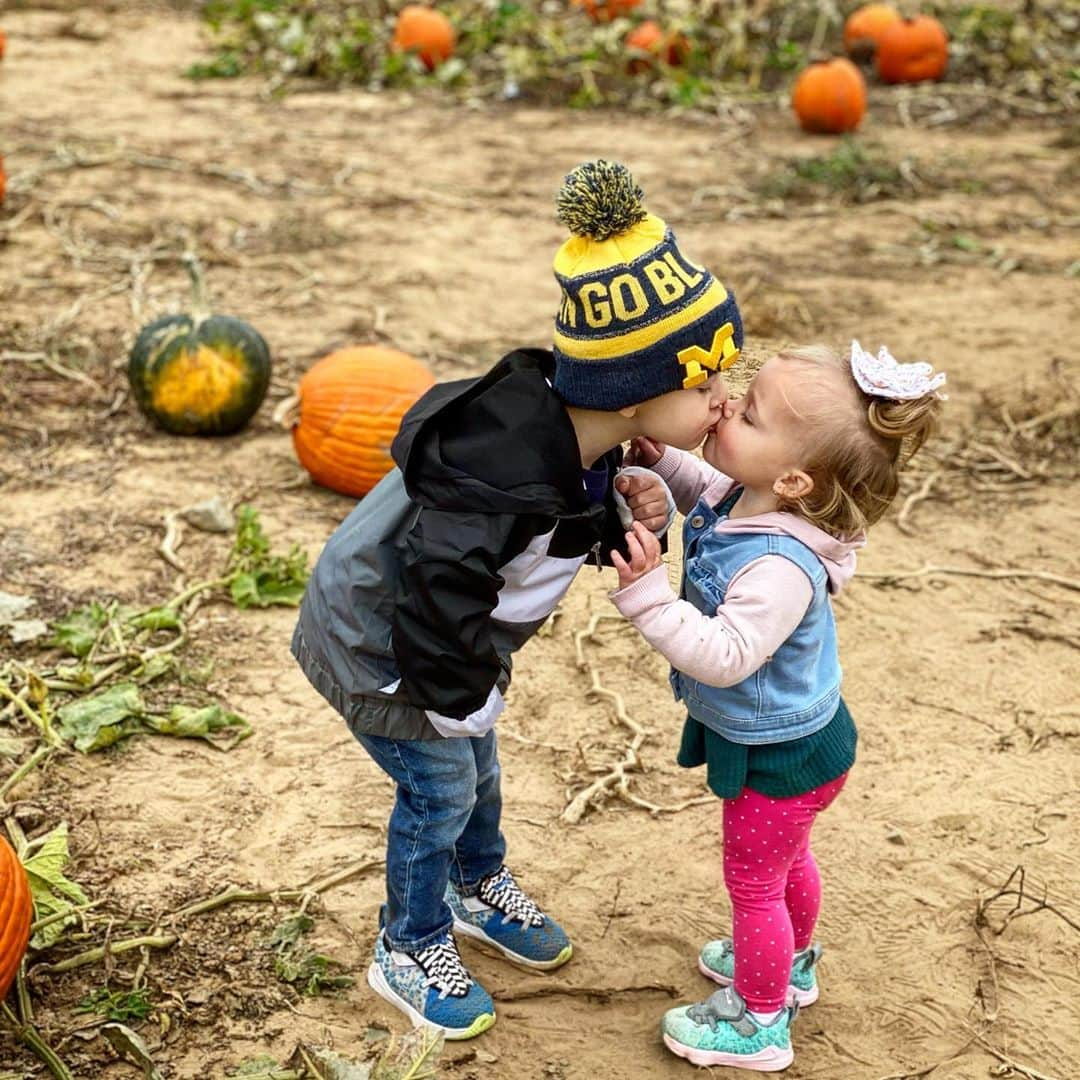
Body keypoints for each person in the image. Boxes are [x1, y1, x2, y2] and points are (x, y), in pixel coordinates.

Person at [291, 159, 746, 1040]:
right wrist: (458, 695)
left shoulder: (585, 435)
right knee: (439, 791)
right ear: (633, 389)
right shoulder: (492, 475)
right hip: (385, 644)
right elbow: (438, 587)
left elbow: (561, 512)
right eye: (706, 381)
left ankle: (471, 884)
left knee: (476, 775)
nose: (723, 399)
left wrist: (620, 516)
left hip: (452, 644)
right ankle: (407, 941)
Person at [610, 341, 945, 1071]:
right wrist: (663, 460)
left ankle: (760, 1021)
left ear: (793, 477)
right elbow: (706, 486)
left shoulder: (777, 568)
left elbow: (726, 657)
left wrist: (647, 598)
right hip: (806, 739)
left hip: (782, 753)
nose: (724, 407)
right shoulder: (753, 493)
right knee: (787, 861)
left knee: (754, 882)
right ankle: (791, 967)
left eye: (749, 414)